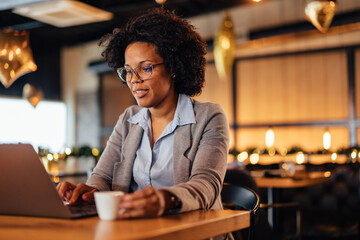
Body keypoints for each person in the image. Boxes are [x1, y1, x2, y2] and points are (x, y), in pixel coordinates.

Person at [57, 7, 229, 222]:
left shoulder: (209, 117)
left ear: (174, 67)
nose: (134, 79)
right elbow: (103, 176)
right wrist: (90, 192)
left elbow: (206, 185)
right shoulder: (129, 119)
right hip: (135, 230)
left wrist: (165, 199)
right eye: (128, 71)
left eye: (145, 68)